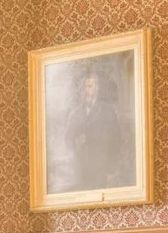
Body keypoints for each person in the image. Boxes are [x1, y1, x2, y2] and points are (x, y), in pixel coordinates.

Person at [49, 55, 134, 195]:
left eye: (90, 86)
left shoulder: (108, 110)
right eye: (84, 86)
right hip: (81, 169)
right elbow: (68, 139)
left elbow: (116, 141)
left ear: (97, 88)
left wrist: (111, 170)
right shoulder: (76, 112)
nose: (86, 89)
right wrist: (76, 141)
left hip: (101, 167)